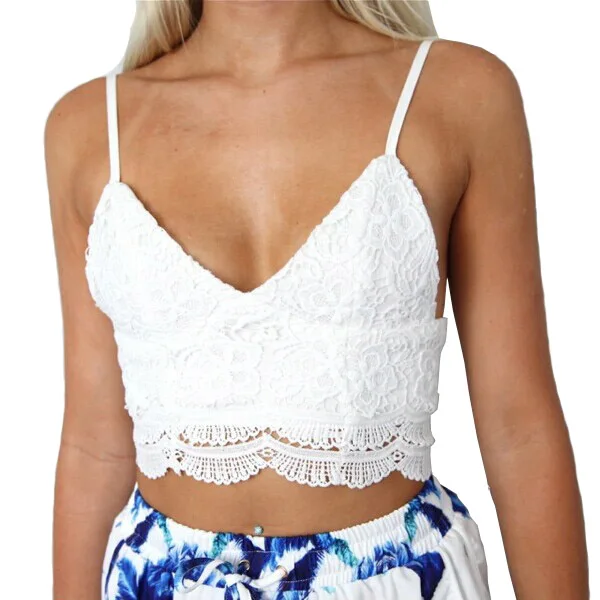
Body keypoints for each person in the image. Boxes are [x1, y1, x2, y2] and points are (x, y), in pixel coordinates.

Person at [45, 1, 588, 599]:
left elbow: (519, 428)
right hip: (156, 581)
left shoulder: (458, 94)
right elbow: (93, 446)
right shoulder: (88, 127)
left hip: (399, 578)